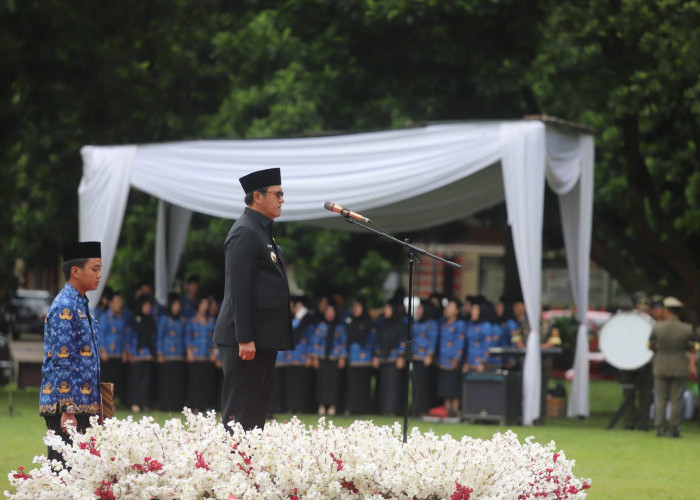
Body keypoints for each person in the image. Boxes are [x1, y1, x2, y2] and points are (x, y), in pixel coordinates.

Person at [213, 167, 293, 432]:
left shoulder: (261, 230)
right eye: (277, 194)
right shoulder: (245, 231)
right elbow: (239, 289)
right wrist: (245, 338)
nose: (282, 199)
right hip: (246, 339)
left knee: (256, 410)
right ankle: (234, 467)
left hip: (262, 337)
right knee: (241, 410)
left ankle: (250, 467)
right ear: (257, 197)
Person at [39, 241, 102, 464]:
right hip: (67, 410)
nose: (99, 275)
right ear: (75, 271)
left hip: (83, 406)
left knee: (81, 477)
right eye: (95, 269)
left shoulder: (82, 304)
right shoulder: (65, 306)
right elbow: (61, 361)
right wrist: (67, 409)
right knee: (63, 475)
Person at [648, 297, 697, 437]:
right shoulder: (687, 328)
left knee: (661, 398)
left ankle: (660, 428)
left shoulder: (657, 327)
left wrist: (658, 349)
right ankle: (674, 428)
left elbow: (650, 345)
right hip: (680, 364)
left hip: (661, 364)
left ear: (666, 311)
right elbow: (694, 347)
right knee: (676, 399)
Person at [309, 303, 347, 415]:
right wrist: (314, 357)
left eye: (331, 312)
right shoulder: (320, 326)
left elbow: (343, 343)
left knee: (334, 383)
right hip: (322, 358)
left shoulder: (340, 327)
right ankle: (321, 405)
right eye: (327, 311)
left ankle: (332, 406)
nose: (329, 314)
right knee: (321, 383)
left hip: (335, 358)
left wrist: (342, 358)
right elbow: (315, 342)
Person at [344, 296, 378, 415]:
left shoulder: (369, 322)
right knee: (352, 384)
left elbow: (374, 340)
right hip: (352, 358)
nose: (356, 309)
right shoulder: (350, 321)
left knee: (364, 384)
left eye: (358, 306)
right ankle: (351, 407)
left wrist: (375, 355)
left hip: (365, 358)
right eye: (354, 306)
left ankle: (363, 408)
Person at [374, 299, 407, 416]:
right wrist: (376, 355)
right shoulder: (382, 324)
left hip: (395, 359)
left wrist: (402, 356)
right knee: (383, 384)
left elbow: (405, 341)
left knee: (394, 385)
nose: (385, 311)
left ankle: (393, 409)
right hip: (384, 358)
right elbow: (377, 340)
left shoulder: (401, 325)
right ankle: (383, 408)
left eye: (388, 309)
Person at [124, 296, 157, 412]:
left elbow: (153, 339)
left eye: (149, 306)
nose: (148, 308)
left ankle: (144, 403)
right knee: (135, 379)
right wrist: (129, 352)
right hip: (135, 354)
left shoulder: (150, 320)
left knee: (146, 380)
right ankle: (134, 402)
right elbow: (128, 337)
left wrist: (154, 352)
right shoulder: (133, 321)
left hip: (147, 354)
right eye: (146, 306)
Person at [156, 292, 187, 412]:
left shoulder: (182, 320)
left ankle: (177, 405)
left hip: (179, 355)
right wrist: (160, 353)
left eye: (179, 305)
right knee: (167, 382)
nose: (177, 307)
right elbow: (160, 336)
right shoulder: (164, 319)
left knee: (178, 381)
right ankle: (166, 405)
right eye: (175, 305)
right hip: (167, 355)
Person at [186, 297, 218, 412]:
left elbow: (215, 338)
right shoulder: (192, 321)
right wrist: (189, 352)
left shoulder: (212, 321)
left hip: (208, 356)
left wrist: (215, 353)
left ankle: (206, 405)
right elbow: (188, 337)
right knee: (195, 381)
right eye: (203, 304)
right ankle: (195, 405)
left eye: (206, 305)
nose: (205, 307)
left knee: (207, 381)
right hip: (195, 355)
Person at [436, 298, 467, 418]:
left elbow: (460, 342)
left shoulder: (460, 325)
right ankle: (446, 411)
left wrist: (457, 358)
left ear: (457, 311)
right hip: (443, 360)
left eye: (451, 307)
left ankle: (454, 411)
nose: (447, 309)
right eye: (447, 306)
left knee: (454, 387)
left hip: (453, 361)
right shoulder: (443, 324)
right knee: (445, 387)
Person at [98, 292, 129, 406]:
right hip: (108, 354)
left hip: (118, 352)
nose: (119, 304)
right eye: (117, 301)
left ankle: (115, 402)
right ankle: (105, 403)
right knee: (107, 379)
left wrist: (125, 350)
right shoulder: (105, 317)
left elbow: (124, 335)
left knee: (117, 378)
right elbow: (101, 333)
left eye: (120, 302)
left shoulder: (121, 318)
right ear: (110, 303)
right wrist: (103, 350)